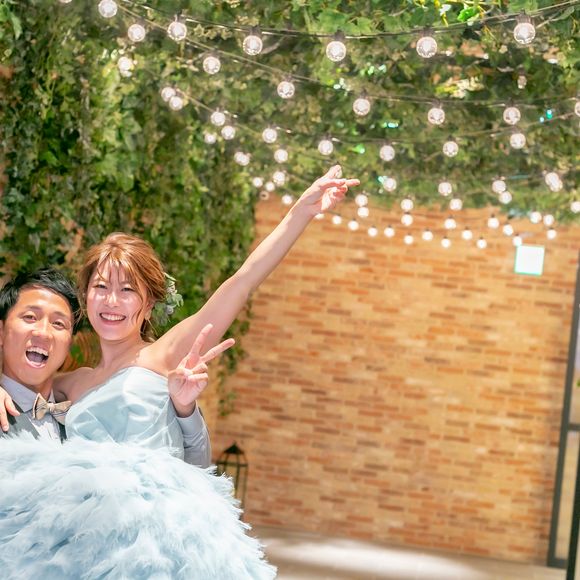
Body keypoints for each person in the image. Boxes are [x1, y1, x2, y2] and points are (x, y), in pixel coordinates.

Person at [0, 165, 358, 578]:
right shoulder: (71, 382)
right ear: (86, 297)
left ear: (148, 304)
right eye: (101, 287)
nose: (112, 301)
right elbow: (21, 377)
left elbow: (242, 281)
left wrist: (300, 212)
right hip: (91, 535)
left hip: (159, 532)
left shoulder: (165, 354)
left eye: (127, 290)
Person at [0, 268, 214, 468]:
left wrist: (185, 410)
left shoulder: (83, 417)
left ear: (69, 342)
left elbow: (195, 468)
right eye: (30, 317)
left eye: (58, 324)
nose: (43, 333)